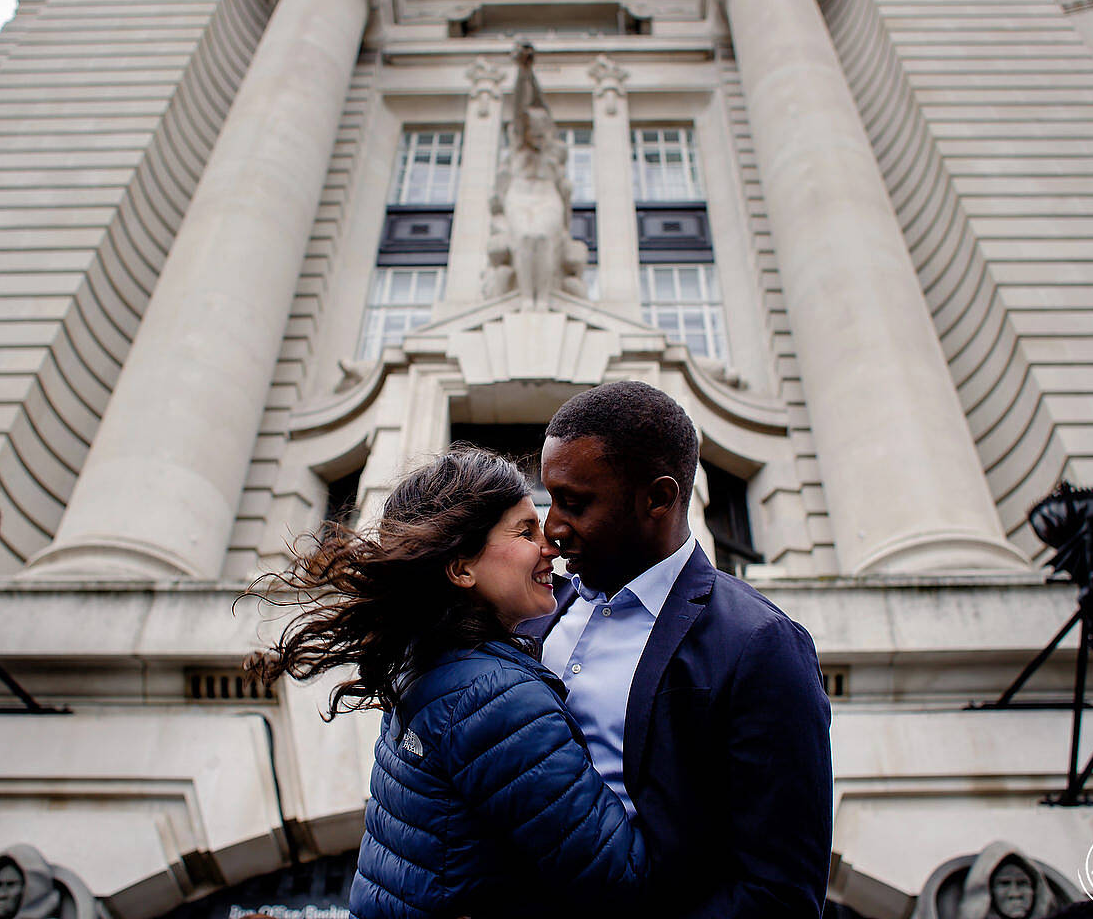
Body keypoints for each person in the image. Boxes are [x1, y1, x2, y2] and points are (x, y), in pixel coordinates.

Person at [245, 447, 648, 919]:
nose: (551, 546)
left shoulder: (430, 664)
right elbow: (618, 877)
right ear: (461, 569)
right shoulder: (494, 696)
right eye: (525, 530)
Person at [530, 380, 833, 919]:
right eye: (551, 500)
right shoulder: (537, 610)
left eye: (574, 503)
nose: (552, 529)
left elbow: (777, 894)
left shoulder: (760, 646)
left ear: (659, 499)